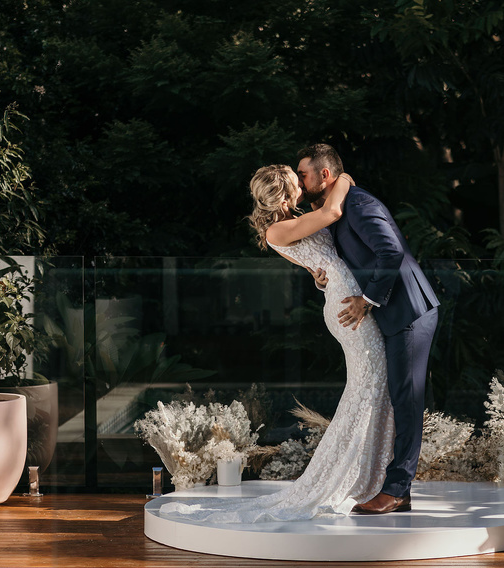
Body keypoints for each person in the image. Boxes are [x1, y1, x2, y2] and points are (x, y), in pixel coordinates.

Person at [159, 164, 395, 523]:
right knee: (371, 384)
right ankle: (352, 475)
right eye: (295, 181)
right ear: (284, 195)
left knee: (371, 385)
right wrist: (344, 177)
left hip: (343, 299)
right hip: (349, 309)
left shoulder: (291, 221)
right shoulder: (278, 230)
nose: (302, 184)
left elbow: (316, 267)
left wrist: (320, 278)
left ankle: (365, 471)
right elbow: (333, 211)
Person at [296, 144, 439, 515]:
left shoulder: (357, 204)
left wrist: (366, 300)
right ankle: (391, 485)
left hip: (408, 310)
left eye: (304, 174)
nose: (300, 180)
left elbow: (390, 252)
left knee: (406, 400)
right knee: (398, 397)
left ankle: (396, 491)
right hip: (393, 312)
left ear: (324, 175)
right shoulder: (338, 207)